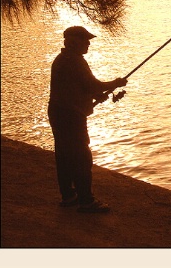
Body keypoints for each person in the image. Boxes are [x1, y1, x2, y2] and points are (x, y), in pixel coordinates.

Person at [48, 26, 127, 213]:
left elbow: (80, 88)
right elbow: (92, 85)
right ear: (73, 42)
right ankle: (86, 201)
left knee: (64, 156)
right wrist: (115, 83)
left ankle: (68, 196)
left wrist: (95, 96)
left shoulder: (64, 60)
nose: (89, 43)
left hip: (60, 112)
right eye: (85, 40)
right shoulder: (74, 61)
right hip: (70, 116)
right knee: (81, 157)